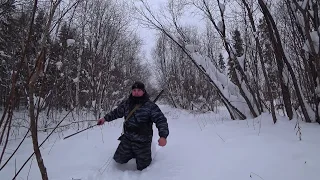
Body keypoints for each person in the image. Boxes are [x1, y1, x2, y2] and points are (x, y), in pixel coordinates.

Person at [97, 81, 169, 171]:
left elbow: (161, 120)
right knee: (118, 160)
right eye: (134, 90)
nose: (136, 92)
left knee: (144, 168)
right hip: (127, 139)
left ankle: (150, 151)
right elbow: (116, 113)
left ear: (143, 91)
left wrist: (163, 136)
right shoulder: (126, 104)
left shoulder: (150, 106)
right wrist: (104, 119)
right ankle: (132, 153)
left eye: (139, 90)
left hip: (143, 142)